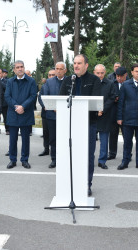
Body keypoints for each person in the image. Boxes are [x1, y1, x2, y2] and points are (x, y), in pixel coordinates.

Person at [59, 54, 102, 196]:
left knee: (87, 156)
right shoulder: (67, 80)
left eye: (79, 63)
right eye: (74, 63)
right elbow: (60, 99)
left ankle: (86, 184)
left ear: (86, 65)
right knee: (69, 155)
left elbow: (95, 101)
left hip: (88, 124)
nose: (76, 66)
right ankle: (69, 183)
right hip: (69, 124)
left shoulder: (94, 80)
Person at [5, 60, 37, 169]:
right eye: (17, 67)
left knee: (25, 139)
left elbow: (33, 96)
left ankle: (24, 160)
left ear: (24, 68)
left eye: (21, 67)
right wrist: (16, 107)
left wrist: (23, 106)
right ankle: (12, 160)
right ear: (14, 70)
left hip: (26, 114)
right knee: (12, 140)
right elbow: (7, 96)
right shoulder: (10, 81)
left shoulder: (31, 81)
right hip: (13, 114)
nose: (20, 69)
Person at [38, 64, 66, 168]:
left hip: (65, 116)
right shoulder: (49, 82)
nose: (58, 71)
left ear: (65, 70)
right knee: (53, 138)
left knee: (64, 138)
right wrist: (52, 106)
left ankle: (64, 158)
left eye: (60, 69)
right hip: (51, 115)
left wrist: (61, 108)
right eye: (56, 69)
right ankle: (54, 159)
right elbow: (45, 96)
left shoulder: (70, 81)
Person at [94, 64, 116, 169]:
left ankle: (102, 161)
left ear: (105, 72)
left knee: (104, 140)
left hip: (105, 115)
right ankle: (89, 159)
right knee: (90, 140)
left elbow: (112, 98)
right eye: (98, 73)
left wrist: (102, 109)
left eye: (102, 73)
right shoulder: (90, 83)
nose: (100, 75)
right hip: (92, 116)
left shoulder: (110, 84)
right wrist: (95, 110)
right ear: (94, 73)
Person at [108, 66, 127, 160]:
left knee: (127, 136)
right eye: (117, 76)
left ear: (126, 75)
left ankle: (127, 154)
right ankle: (112, 153)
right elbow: (108, 96)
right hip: (113, 113)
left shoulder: (129, 84)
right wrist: (114, 98)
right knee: (113, 134)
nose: (119, 78)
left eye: (121, 76)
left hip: (125, 114)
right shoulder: (111, 83)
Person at [38, 69, 56, 157]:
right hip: (45, 112)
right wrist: (44, 106)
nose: (51, 77)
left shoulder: (58, 85)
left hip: (56, 113)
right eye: (50, 75)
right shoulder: (44, 86)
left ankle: (55, 151)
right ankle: (46, 149)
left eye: (53, 75)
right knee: (46, 132)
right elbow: (40, 97)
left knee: (54, 134)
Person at [1, 69, 9, 136]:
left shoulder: (7, 81)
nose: (4, 74)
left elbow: (7, 87)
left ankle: (7, 130)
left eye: (5, 73)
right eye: (3, 73)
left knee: (5, 117)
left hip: (4, 102)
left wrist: (0, 82)